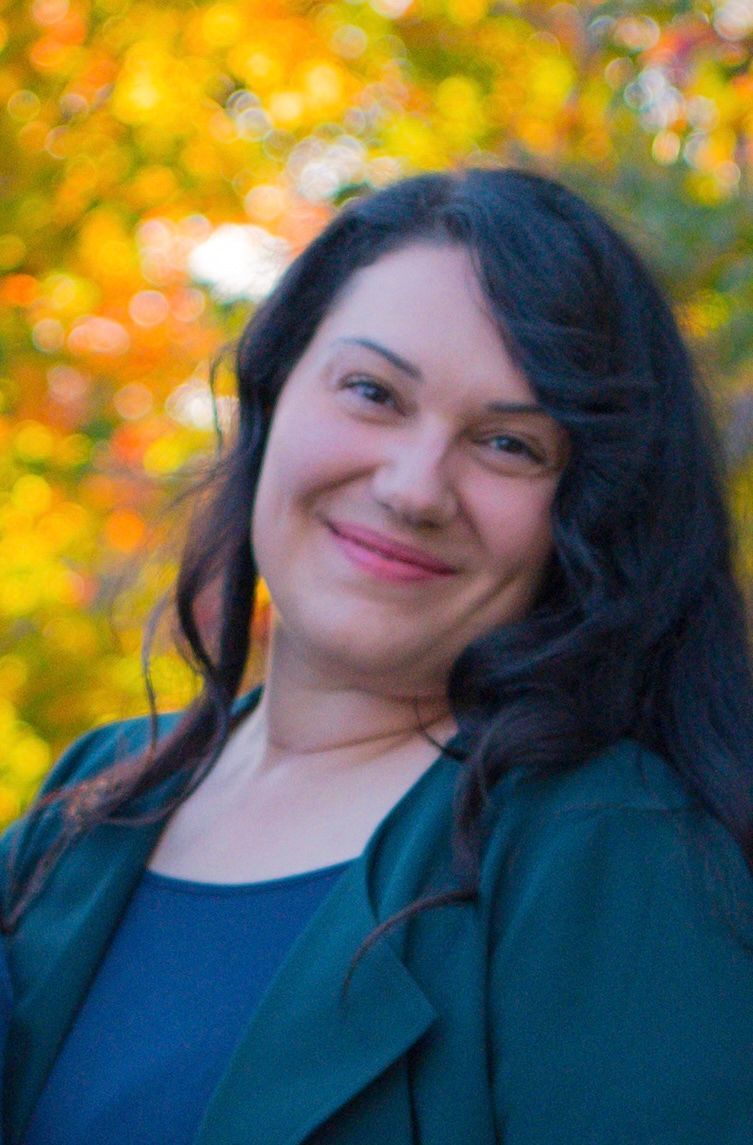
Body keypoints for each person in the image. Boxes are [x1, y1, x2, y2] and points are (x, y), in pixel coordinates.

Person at [2, 167, 753, 1145]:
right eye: (373, 391)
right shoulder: (95, 793)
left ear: (584, 513)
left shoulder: (604, 844)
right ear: (272, 394)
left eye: (509, 444)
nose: (413, 486)